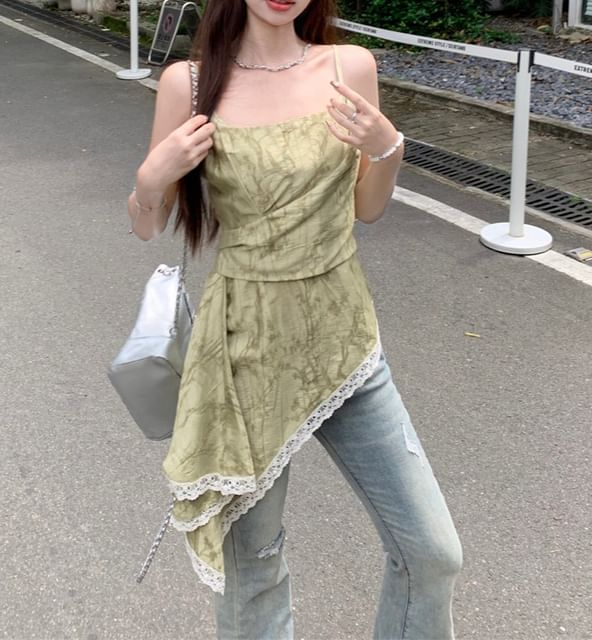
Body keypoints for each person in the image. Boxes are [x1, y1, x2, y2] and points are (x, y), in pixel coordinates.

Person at [128, 0, 463, 638]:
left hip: (345, 343)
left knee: (431, 553)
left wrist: (388, 150)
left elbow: (367, 209)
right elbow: (147, 224)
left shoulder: (349, 67)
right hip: (243, 352)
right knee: (253, 569)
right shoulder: (189, 84)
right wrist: (151, 179)